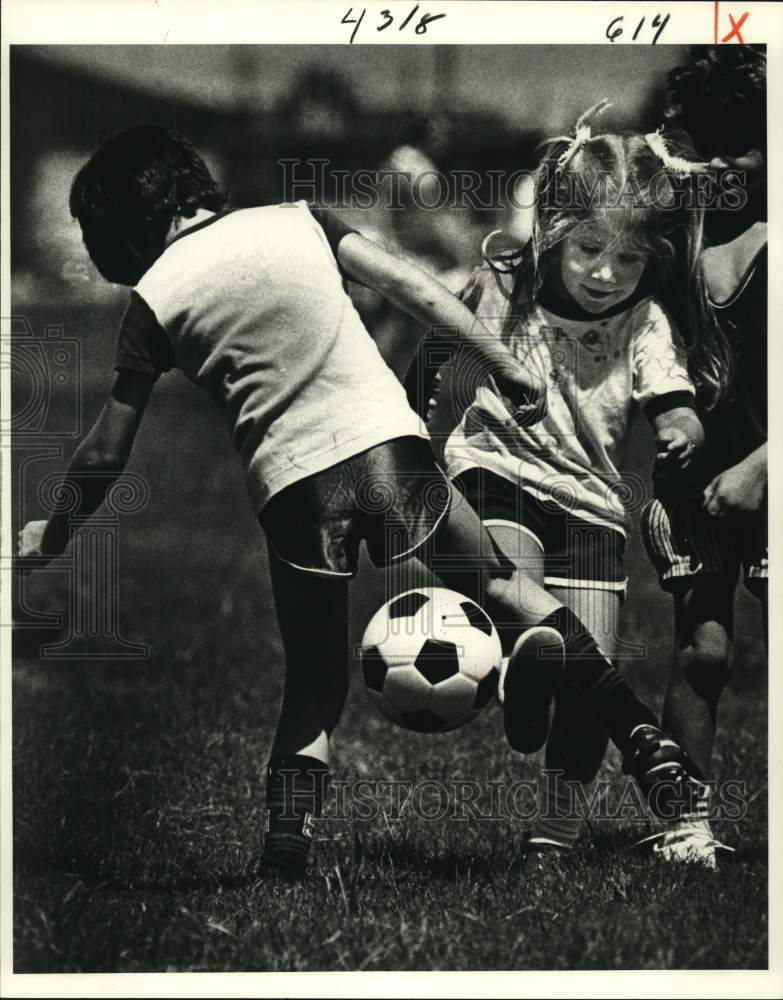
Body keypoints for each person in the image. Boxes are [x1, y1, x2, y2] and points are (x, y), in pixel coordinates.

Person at [17, 125, 704, 880]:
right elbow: (412, 288)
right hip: (391, 453)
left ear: (122, 230)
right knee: (509, 586)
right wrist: (502, 361)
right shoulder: (300, 218)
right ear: (191, 184)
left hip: (295, 491)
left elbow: (106, 449)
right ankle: (642, 739)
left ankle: (284, 858)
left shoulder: (152, 302)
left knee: (314, 683)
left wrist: (56, 528)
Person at [410, 102, 729, 871]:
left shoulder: (644, 318)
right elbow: (433, 342)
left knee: (594, 679)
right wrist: (414, 410)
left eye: (627, 261)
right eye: (588, 249)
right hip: (498, 466)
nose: (603, 274)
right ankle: (527, 670)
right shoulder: (507, 283)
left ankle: (552, 831)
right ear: (553, 229)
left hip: (590, 499)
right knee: (509, 583)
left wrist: (682, 427)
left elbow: (671, 395)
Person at [639, 47, 767, 868]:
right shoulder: (665, 238)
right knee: (703, 650)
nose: (722, 162)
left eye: (743, 140)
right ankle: (685, 824)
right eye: (703, 141)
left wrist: (761, 467)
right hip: (695, 489)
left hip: (766, 472)